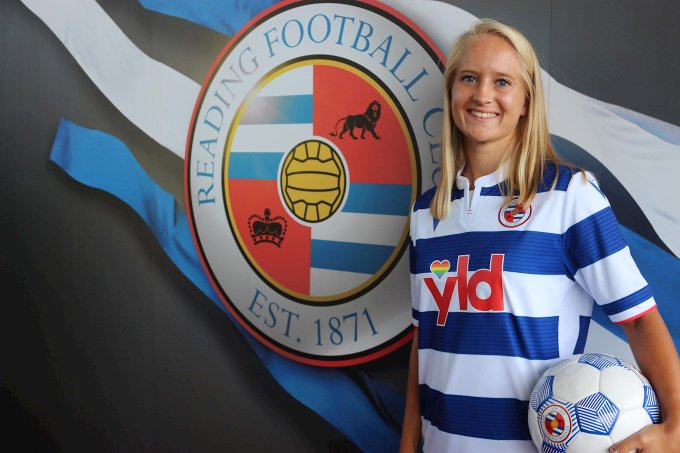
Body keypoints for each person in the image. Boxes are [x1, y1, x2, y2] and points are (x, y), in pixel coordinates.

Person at [400, 18, 680, 453]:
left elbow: (640, 318)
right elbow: (425, 341)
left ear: (527, 99)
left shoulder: (570, 196)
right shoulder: (425, 212)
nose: (482, 95)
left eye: (503, 82)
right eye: (469, 78)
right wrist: (408, 442)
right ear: (452, 91)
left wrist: (677, 424)